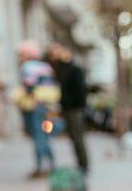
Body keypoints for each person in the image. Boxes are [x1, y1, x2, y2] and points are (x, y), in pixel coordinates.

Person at [14, 40, 59, 178]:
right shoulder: (46, 67)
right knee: (45, 134)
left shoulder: (27, 67)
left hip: (34, 105)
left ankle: (40, 167)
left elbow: (29, 87)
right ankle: (51, 164)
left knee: (37, 135)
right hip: (47, 105)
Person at [48, 43, 90, 174]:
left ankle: (84, 165)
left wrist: (75, 104)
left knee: (78, 137)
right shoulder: (60, 69)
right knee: (73, 138)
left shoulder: (75, 69)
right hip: (66, 108)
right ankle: (80, 164)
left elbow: (81, 90)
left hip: (75, 109)